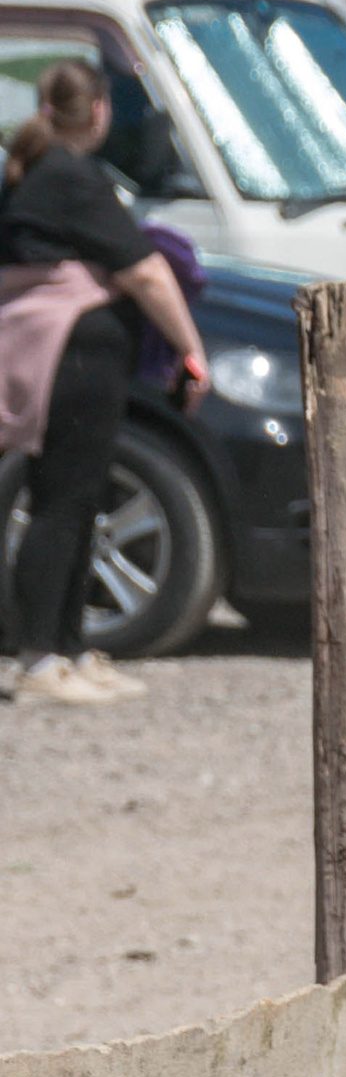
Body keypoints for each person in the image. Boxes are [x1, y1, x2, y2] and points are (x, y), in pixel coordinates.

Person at [0, 57, 208, 705]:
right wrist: (189, 348)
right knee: (62, 503)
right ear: (99, 113)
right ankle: (38, 660)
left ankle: (65, 649)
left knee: (79, 502)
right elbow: (145, 272)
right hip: (72, 360)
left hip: (70, 359)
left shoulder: (40, 171)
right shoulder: (73, 177)